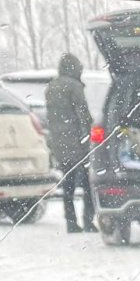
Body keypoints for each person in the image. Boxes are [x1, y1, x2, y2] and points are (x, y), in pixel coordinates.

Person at [44, 53, 94, 233]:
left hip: (59, 141)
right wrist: (90, 129)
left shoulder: (51, 87)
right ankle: (88, 220)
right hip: (77, 140)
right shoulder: (74, 87)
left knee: (69, 183)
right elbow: (83, 113)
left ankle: (71, 222)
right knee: (87, 182)